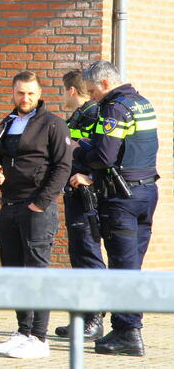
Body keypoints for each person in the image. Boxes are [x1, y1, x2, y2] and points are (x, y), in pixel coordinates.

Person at [71, 60, 158, 357]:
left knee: (122, 266)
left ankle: (127, 333)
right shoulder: (142, 103)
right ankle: (127, 328)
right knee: (132, 265)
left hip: (123, 200)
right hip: (146, 192)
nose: (92, 96)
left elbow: (104, 157)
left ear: (105, 84)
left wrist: (79, 152)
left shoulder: (114, 108)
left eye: (93, 90)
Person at [0, 71, 71, 359]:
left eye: (31, 93)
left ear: (39, 94)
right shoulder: (7, 123)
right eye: (21, 93)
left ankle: (40, 338)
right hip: (9, 206)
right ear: (13, 93)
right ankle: (23, 332)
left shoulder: (53, 124)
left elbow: (63, 167)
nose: (25, 98)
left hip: (36, 208)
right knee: (14, 272)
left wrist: (41, 203)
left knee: (36, 273)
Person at [54, 70, 105, 340]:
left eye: (63, 91)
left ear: (71, 90)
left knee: (88, 254)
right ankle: (83, 317)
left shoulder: (93, 113)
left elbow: (104, 153)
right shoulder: (79, 115)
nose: (63, 96)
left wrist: (90, 177)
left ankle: (95, 319)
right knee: (78, 255)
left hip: (87, 197)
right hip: (74, 196)